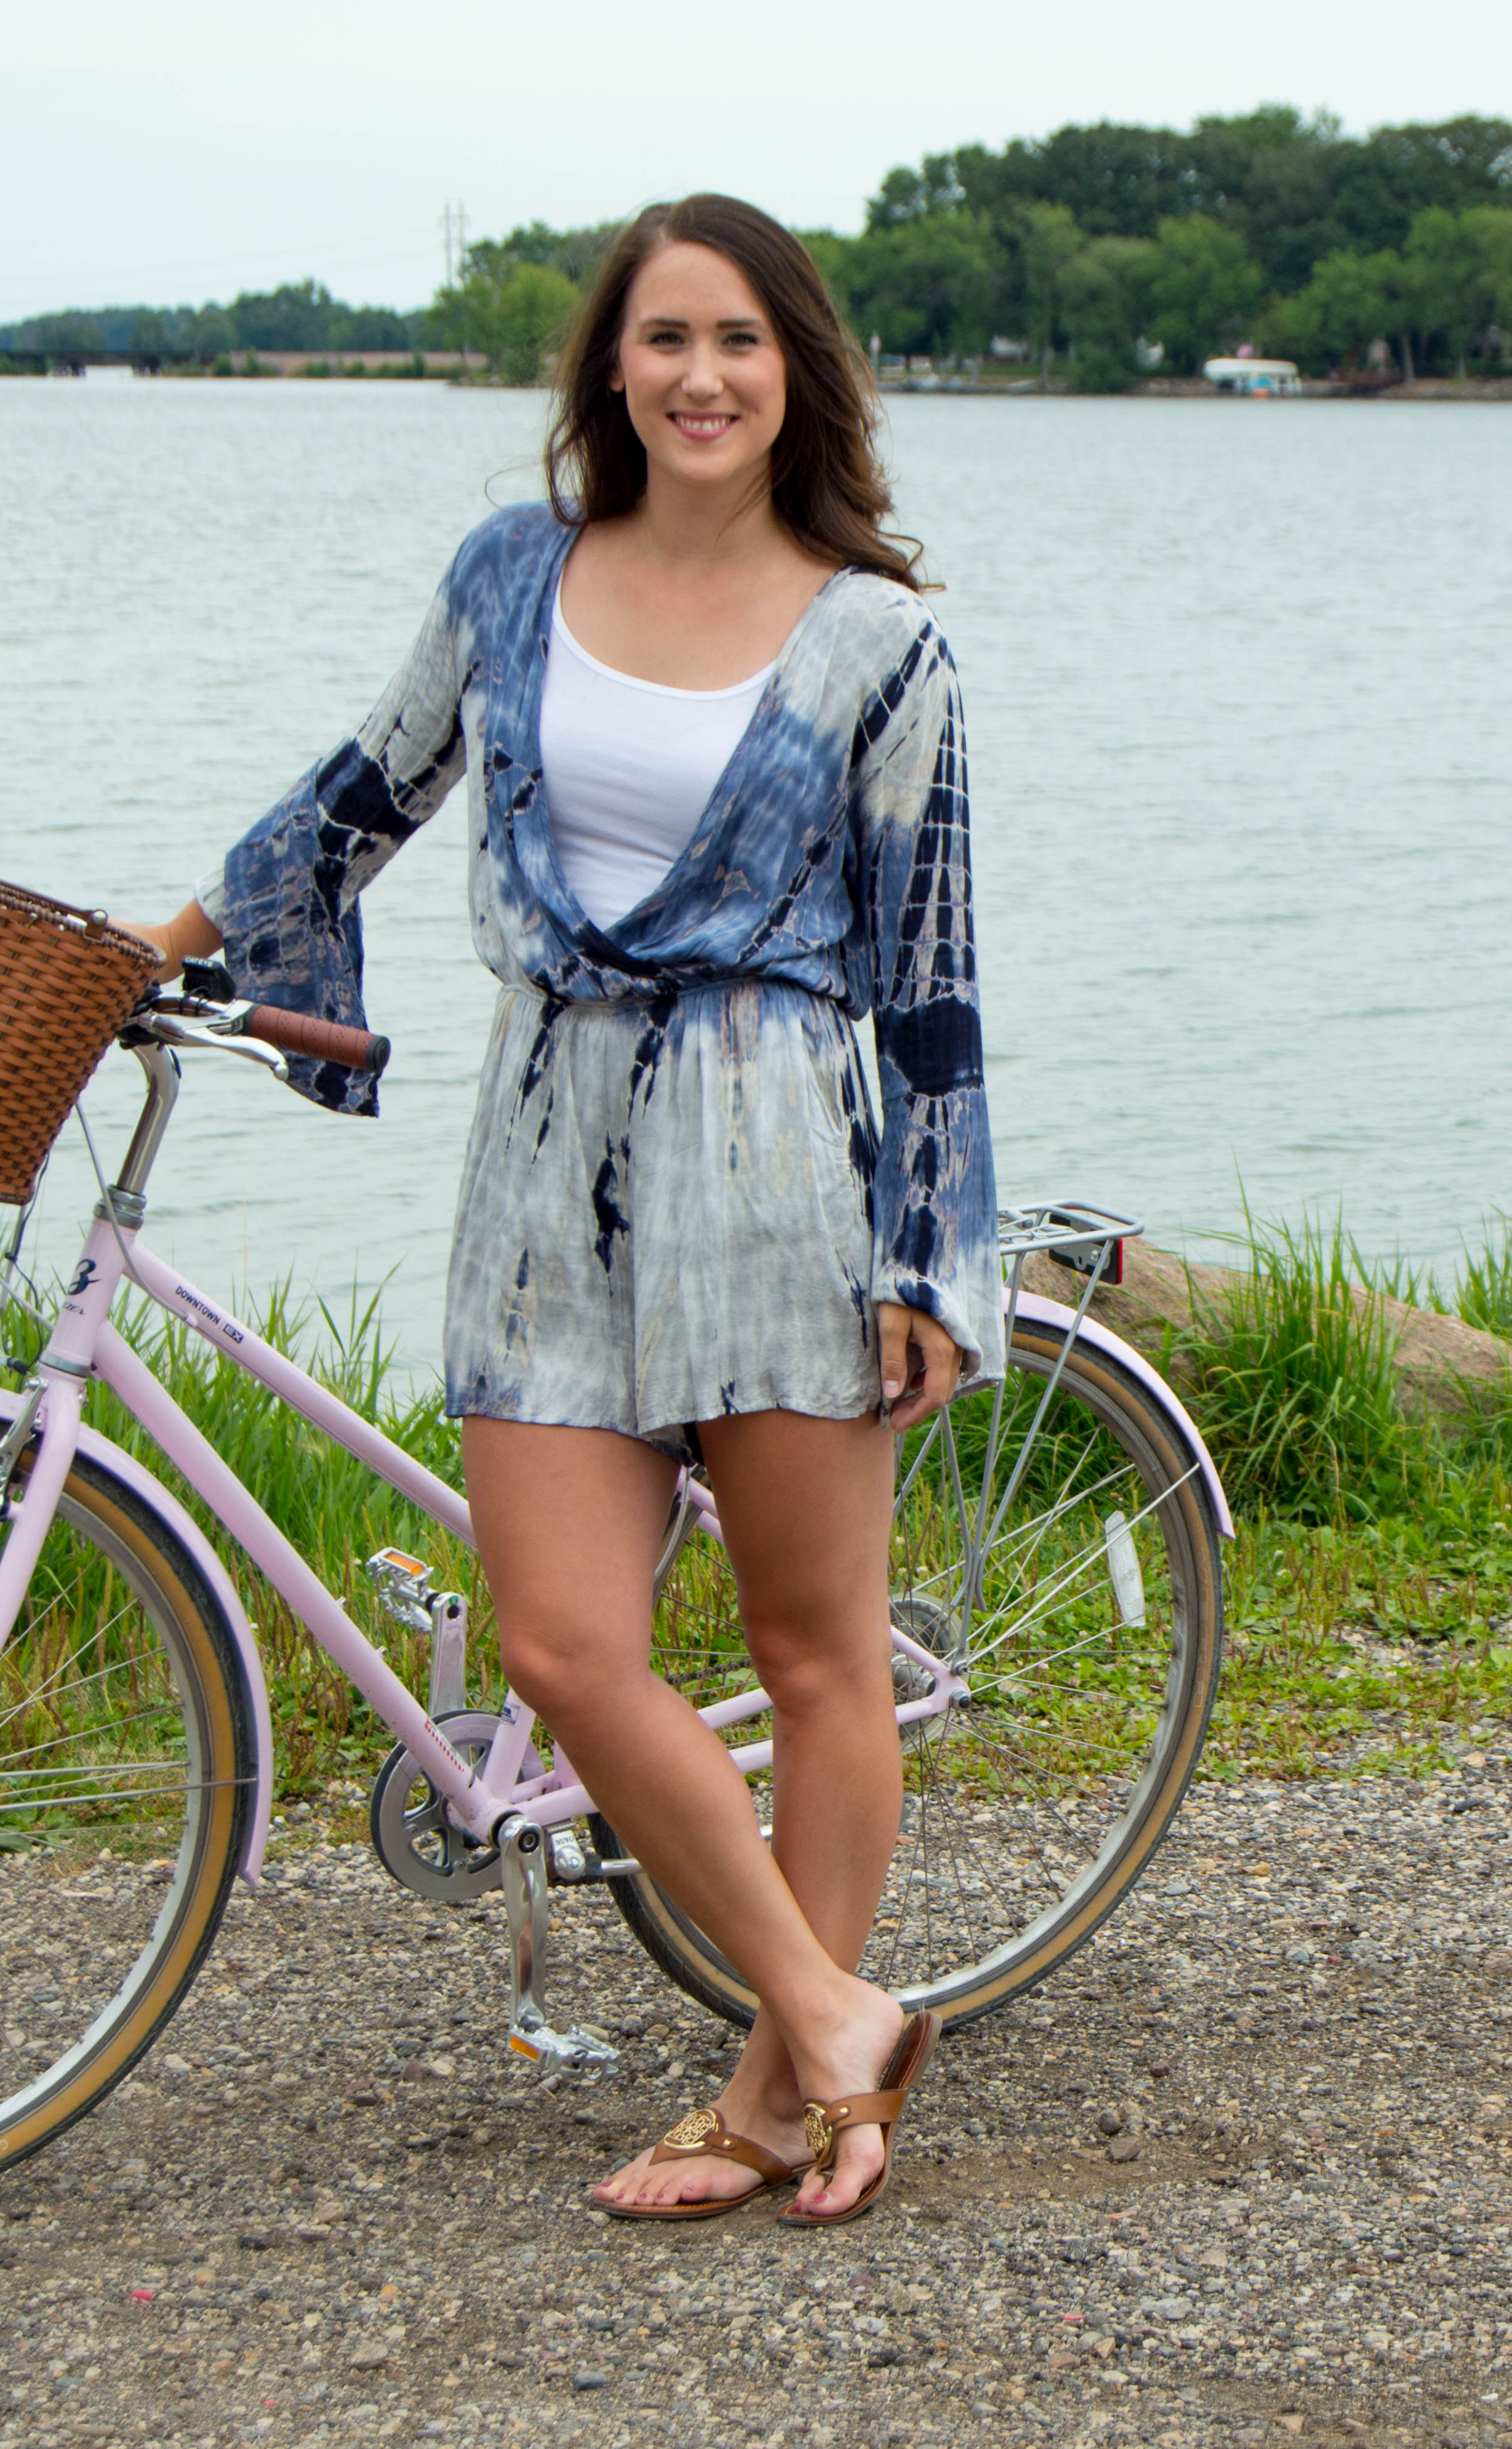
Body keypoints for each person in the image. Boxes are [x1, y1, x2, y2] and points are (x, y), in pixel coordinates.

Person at [144, 193, 994, 2227]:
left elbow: (936, 978)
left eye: (741, 343)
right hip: (542, 1160)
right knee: (558, 1639)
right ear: (610, 367)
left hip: (780, 1160)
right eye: (665, 338)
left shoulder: (879, 643)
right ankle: (834, 2009)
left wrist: (931, 1254)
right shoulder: (514, 575)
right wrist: (148, 949)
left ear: (797, 375)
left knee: (815, 1656)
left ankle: (780, 2096)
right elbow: (357, 797)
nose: (701, 375)